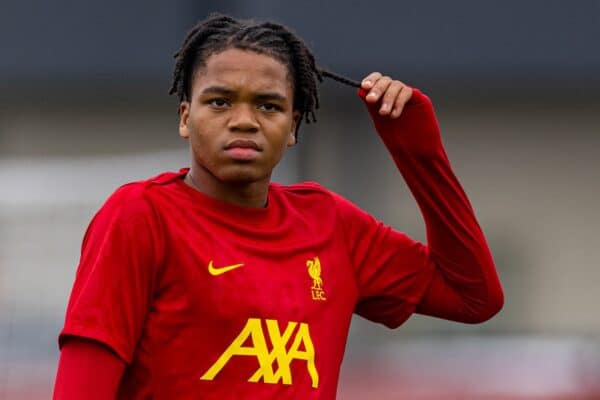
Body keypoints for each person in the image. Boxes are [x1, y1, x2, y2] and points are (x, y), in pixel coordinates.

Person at [53, 13, 503, 400]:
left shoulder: (330, 223)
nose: (244, 120)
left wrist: (418, 153)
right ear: (186, 118)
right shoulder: (139, 216)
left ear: (292, 127)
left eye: (268, 106)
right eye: (220, 101)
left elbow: (473, 297)